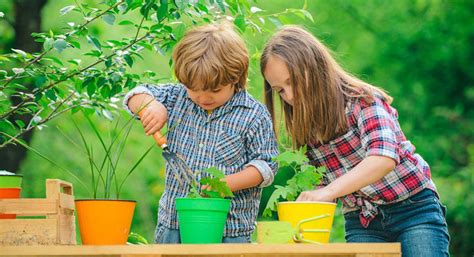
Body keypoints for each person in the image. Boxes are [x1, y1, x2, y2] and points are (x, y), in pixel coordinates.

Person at [260, 25, 450, 256]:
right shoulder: (305, 128)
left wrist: (328, 192)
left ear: (314, 67)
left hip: (413, 209)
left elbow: (383, 157)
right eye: (279, 90)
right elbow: (321, 188)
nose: (288, 96)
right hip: (363, 222)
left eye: (292, 82)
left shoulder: (362, 101)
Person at [124, 23, 278, 243]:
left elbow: (266, 166)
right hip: (174, 226)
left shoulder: (253, 114)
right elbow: (134, 95)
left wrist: (225, 184)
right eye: (193, 89)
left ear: (235, 77)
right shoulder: (177, 98)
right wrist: (150, 105)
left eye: (214, 90)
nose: (203, 97)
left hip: (229, 230)